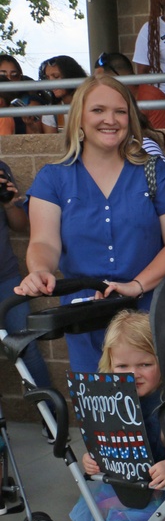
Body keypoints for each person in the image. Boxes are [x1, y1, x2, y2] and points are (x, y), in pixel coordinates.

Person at [16, 74, 165, 372]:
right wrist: (40, 271)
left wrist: (136, 285)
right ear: (79, 118)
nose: (110, 119)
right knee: (101, 414)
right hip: (85, 317)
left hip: (146, 312)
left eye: (120, 111)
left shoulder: (154, 173)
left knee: (154, 410)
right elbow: (43, 242)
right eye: (98, 110)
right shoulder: (53, 178)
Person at [69, 311, 165, 521]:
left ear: (163, 363)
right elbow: (102, 444)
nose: (133, 373)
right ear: (110, 365)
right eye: (123, 366)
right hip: (128, 486)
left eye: (145, 364)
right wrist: (92, 460)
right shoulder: (110, 399)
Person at [0, 162, 51, 396]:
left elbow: (21, 225)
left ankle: (51, 420)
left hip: (6, 278)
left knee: (26, 347)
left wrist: (10, 205)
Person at [93, 51, 165, 130]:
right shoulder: (101, 101)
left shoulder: (153, 97)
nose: (98, 86)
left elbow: (161, 139)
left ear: (124, 78)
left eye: (104, 81)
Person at [40, 56, 88, 134]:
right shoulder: (51, 113)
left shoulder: (93, 105)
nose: (51, 83)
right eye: (48, 78)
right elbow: (51, 144)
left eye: (56, 76)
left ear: (71, 76)